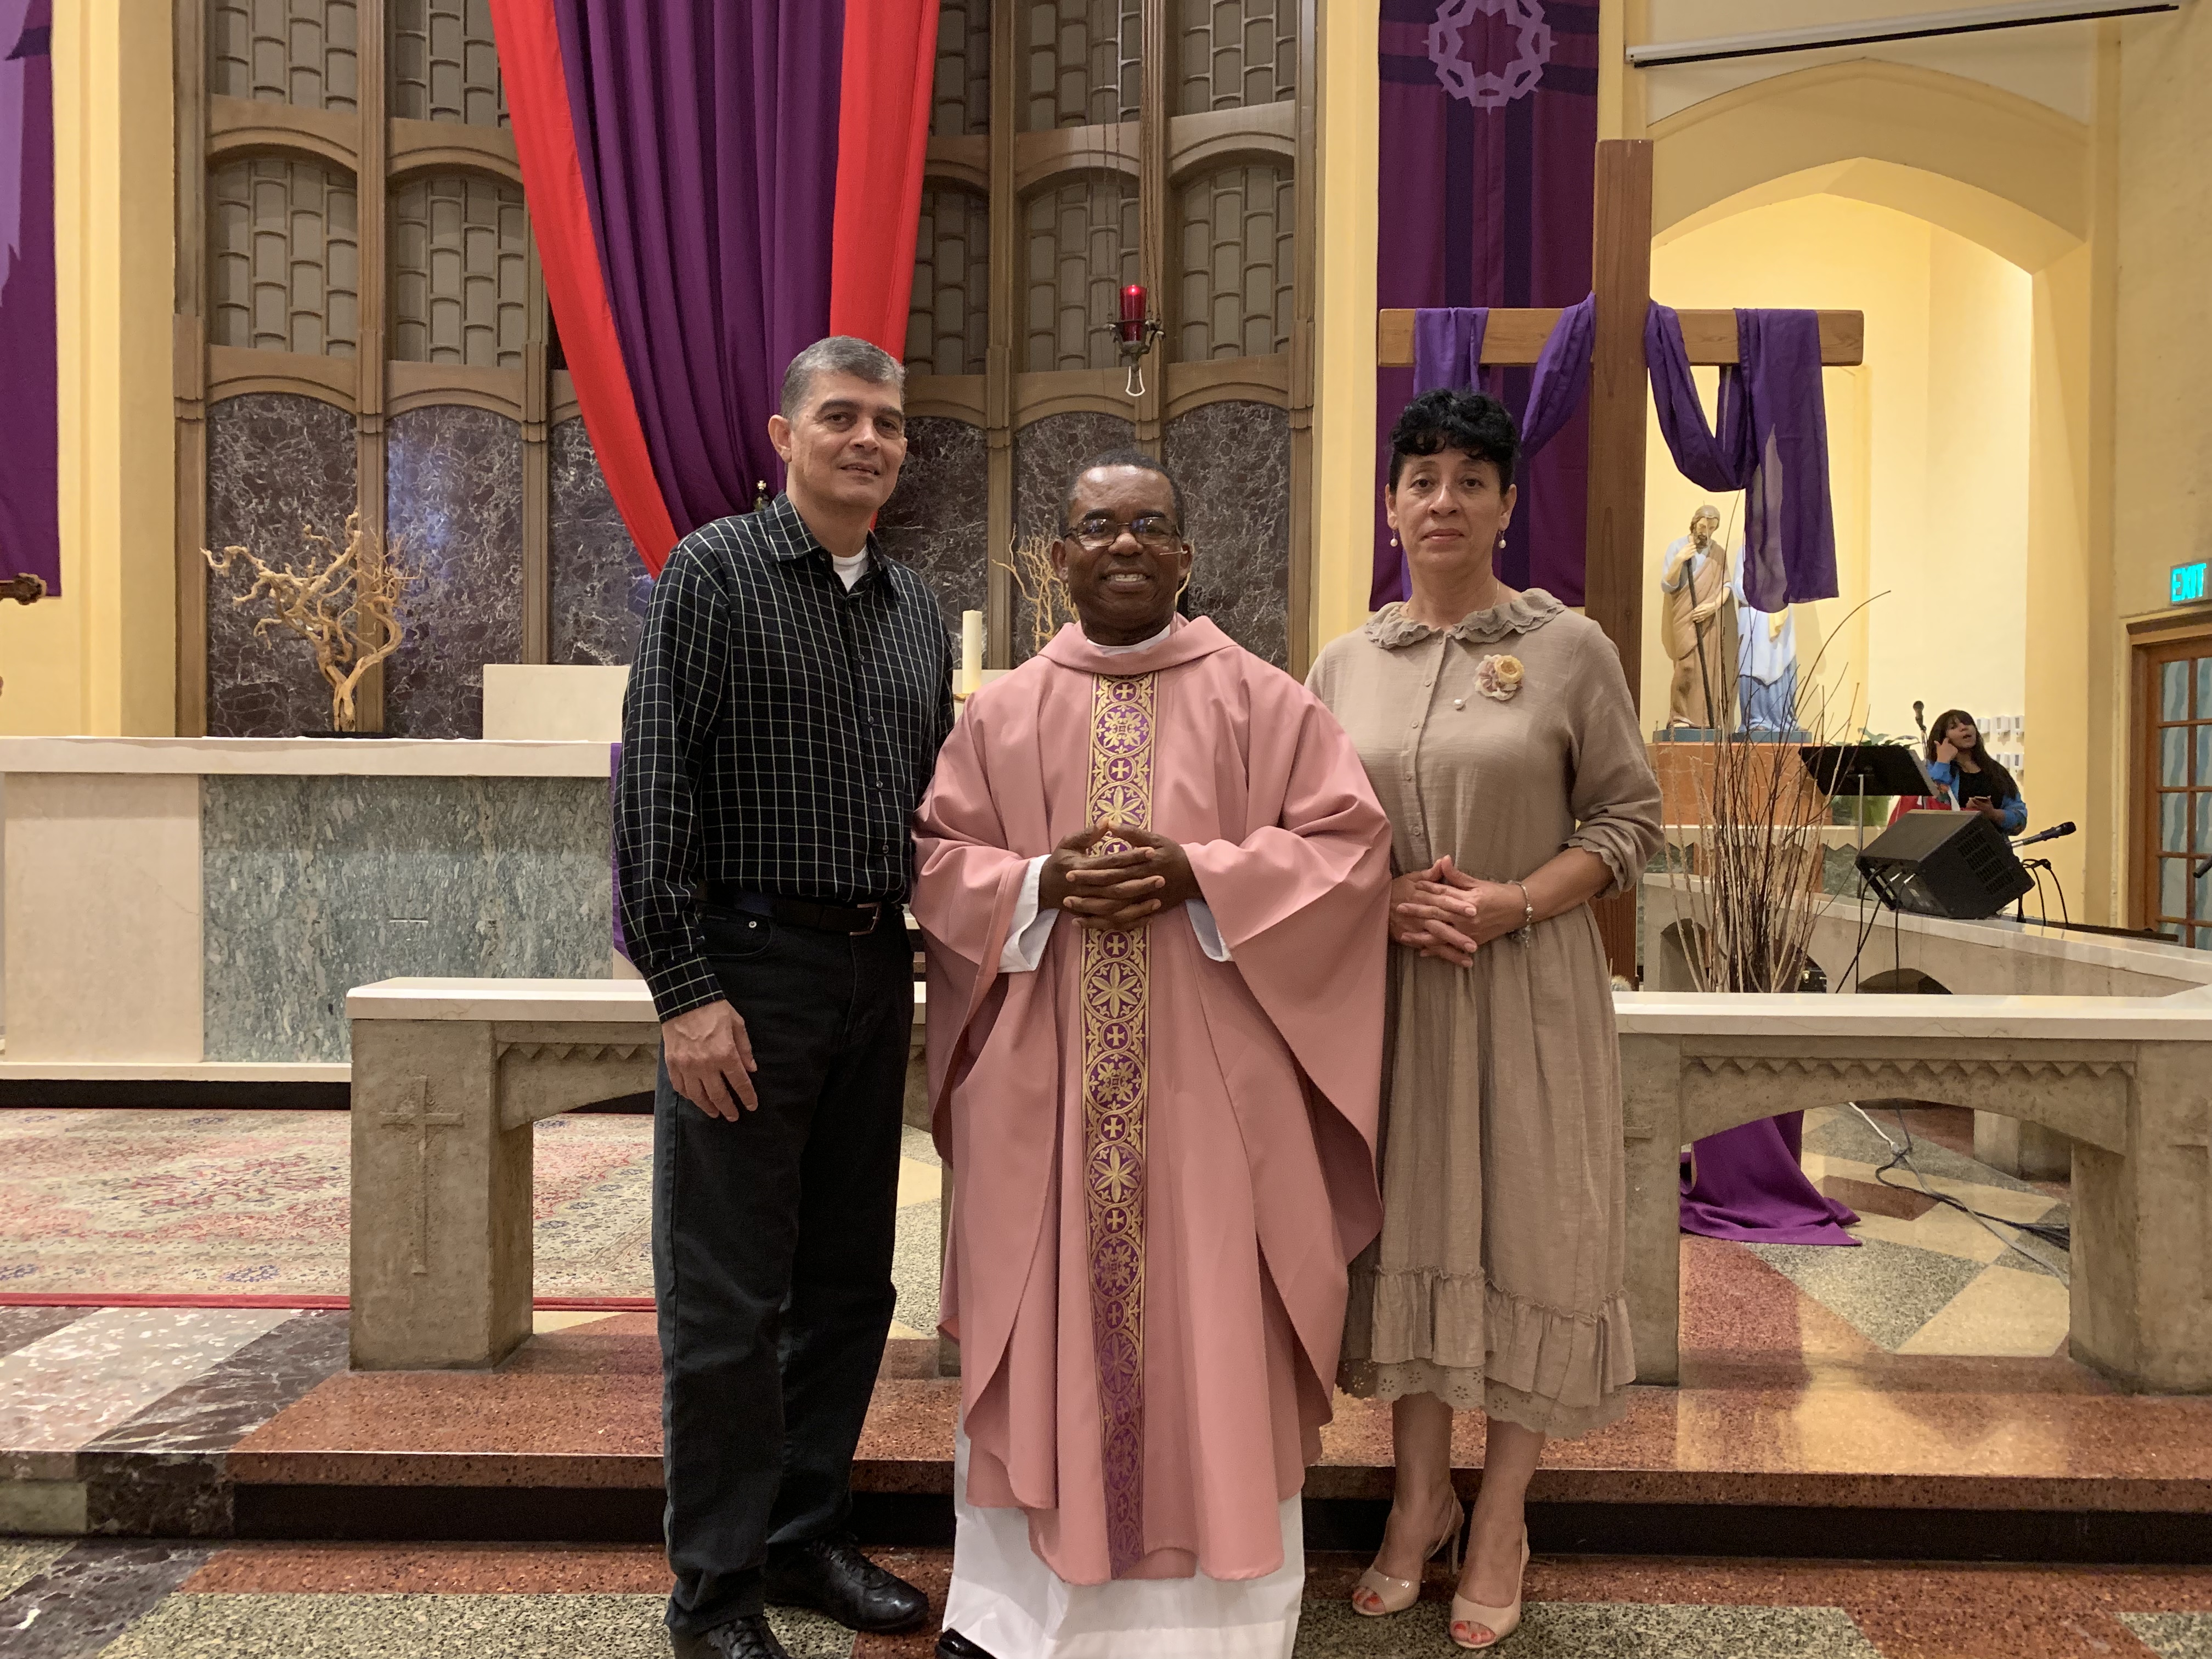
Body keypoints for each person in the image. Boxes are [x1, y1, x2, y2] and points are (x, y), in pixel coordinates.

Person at [913, 450, 1392, 1659]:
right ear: (1058, 557)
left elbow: (1348, 850)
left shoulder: (1264, 702)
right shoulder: (1003, 713)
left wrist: (1204, 874)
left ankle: (1216, 1628)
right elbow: (939, 864)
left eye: (1148, 525)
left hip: (1212, 1096)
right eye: (1096, 526)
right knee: (1046, 1324)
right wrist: (1038, 881)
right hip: (1046, 1091)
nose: (1122, 543)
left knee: (1211, 1322)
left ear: (1184, 555)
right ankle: (1021, 1614)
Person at [1307, 389, 1663, 1651]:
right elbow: (1306, 838)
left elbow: (1628, 822)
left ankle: (1502, 1514)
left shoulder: (1570, 649)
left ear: (1508, 504)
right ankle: (1419, 1503)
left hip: (1528, 989)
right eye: (1422, 479)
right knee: (1412, 1232)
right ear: (1391, 506)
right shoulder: (1343, 665)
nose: (1443, 500)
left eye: (1470, 479)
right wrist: (1378, 897)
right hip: (1396, 997)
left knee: (1530, 1238)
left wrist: (1514, 900)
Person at [617, 336, 953, 1659]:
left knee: (849, 1283)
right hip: (748, 969)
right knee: (728, 1299)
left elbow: (941, 809)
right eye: (841, 417)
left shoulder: (917, 608)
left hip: (873, 969)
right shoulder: (712, 572)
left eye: (888, 423)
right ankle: (714, 1591)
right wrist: (685, 990)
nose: (867, 440)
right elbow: (654, 783)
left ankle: (806, 1536)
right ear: (784, 436)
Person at [1659, 503, 1737, 729]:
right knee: (1686, 667)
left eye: (1712, 528)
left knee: (1708, 669)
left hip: (1709, 619)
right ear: (1694, 524)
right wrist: (1679, 560)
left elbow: (1727, 586)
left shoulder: (1718, 553)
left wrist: (1713, 606)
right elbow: (1667, 585)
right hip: (1685, 615)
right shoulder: (1677, 547)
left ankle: (1706, 720)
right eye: (1703, 527)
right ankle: (1679, 717)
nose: (1707, 532)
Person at [1923, 709, 2027, 833]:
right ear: (1942, 737)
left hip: (1993, 843)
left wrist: (1993, 814)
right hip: (1951, 842)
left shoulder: (1995, 770)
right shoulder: (1931, 768)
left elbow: (2020, 818)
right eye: (1953, 727)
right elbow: (1931, 805)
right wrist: (1943, 762)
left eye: (1968, 723)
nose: (1964, 728)